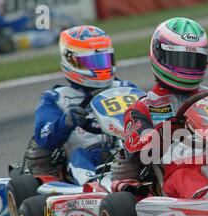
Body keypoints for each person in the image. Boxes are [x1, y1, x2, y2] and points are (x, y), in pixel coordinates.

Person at [124, 17, 208, 199]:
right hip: (178, 171)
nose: (187, 67)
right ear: (160, 55)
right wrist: (165, 132)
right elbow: (138, 152)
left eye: (194, 60)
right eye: (180, 58)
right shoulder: (143, 108)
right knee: (183, 173)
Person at [34, 25, 137, 185]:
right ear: (70, 61)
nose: (99, 67)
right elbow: (42, 137)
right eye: (91, 62)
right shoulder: (56, 98)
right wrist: (65, 121)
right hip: (88, 159)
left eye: (103, 60)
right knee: (80, 155)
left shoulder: (124, 88)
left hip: (126, 152)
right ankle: (94, 188)